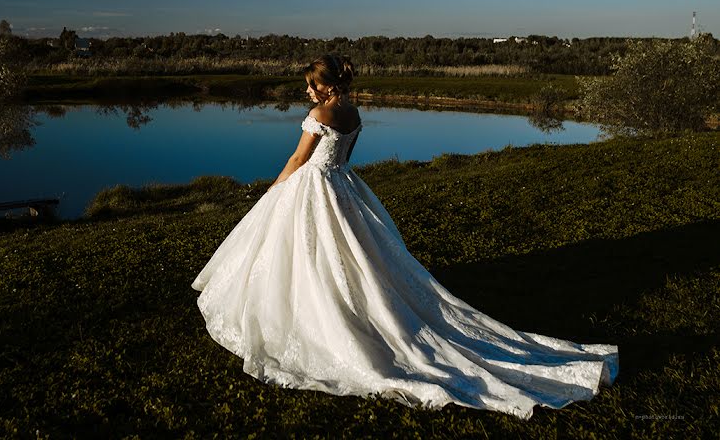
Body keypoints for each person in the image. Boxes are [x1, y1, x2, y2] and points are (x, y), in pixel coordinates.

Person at [191, 55, 618, 420]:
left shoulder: (320, 116)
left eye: (312, 85)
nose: (308, 92)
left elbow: (300, 158)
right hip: (343, 187)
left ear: (327, 86)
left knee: (312, 253)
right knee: (353, 256)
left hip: (313, 188)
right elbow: (344, 158)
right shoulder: (354, 114)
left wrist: (275, 188)